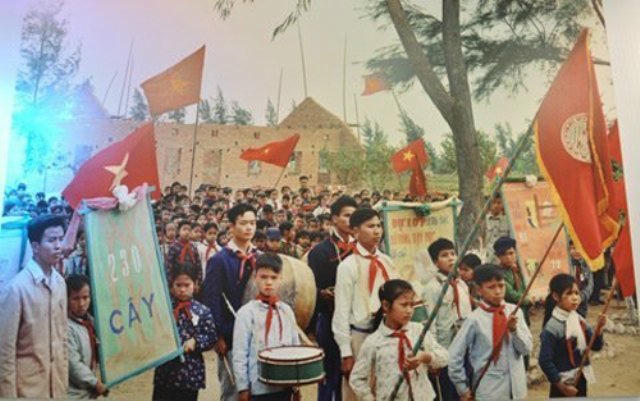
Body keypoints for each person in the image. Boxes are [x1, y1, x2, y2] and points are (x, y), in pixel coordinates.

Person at [332, 208, 398, 401]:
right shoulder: (347, 266)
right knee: (359, 391)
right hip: (360, 337)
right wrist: (346, 352)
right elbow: (341, 311)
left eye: (378, 226)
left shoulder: (387, 261)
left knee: (386, 388)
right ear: (355, 231)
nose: (376, 231)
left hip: (386, 336)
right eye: (370, 226)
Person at [0, 215, 68, 398]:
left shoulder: (60, 283)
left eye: (61, 239)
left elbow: (62, 337)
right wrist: (8, 396)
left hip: (57, 386)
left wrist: (63, 381)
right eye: (51, 240)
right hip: (28, 389)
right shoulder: (16, 289)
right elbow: (5, 352)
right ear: (35, 247)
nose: (58, 246)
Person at [349, 279, 448, 401]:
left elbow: (444, 357)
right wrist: (369, 398)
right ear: (386, 305)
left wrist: (425, 357)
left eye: (411, 305)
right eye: (404, 305)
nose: (409, 310)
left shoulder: (418, 331)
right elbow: (357, 379)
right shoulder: (374, 342)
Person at [448, 264, 532, 401]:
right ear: (479, 289)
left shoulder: (515, 312)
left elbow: (526, 349)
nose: (498, 291)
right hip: (490, 392)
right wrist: (462, 388)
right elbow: (454, 356)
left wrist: (514, 331)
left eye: (501, 285)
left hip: (517, 391)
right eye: (491, 287)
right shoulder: (474, 319)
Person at [201, 203, 259, 401]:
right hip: (230, 335)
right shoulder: (219, 260)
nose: (249, 227)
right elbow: (212, 300)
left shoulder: (259, 257)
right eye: (243, 223)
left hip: (257, 334)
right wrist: (218, 335)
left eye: (252, 223)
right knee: (233, 390)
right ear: (232, 227)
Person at [307, 195, 358, 401]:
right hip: (329, 319)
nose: (351, 220)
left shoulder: (363, 249)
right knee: (330, 375)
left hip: (358, 322)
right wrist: (323, 294)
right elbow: (312, 289)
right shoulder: (320, 252)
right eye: (347, 215)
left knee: (355, 375)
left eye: (354, 216)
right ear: (334, 218)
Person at [232, 253, 301, 401]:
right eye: (263, 277)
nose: (269, 282)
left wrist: (296, 385)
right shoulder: (246, 313)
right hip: (258, 388)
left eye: (274, 277)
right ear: (255, 277)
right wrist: (243, 387)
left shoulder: (286, 311)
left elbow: (295, 348)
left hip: (284, 385)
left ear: (281, 279)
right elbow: (240, 354)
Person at [153, 262, 216, 401]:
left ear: (195, 285)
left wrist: (196, 341)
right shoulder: (163, 309)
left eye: (187, 285)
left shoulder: (203, 311)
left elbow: (211, 337)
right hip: (165, 373)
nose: (182, 289)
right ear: (171, 286)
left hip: (190, 374)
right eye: (178, 285)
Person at [538, 274, 605, 398]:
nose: (575, 298)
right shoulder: (553, 327)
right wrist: (561, 386)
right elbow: (544, 360)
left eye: (576, 293)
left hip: (581, 378)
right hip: (562, 383)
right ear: (556, 296)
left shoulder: (580, 320)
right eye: (569, 293)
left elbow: (596, 346)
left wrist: (599, 329)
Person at [421, 238, 472, 401]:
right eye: (444, 255)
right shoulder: (432, 288)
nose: (451, 258)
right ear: (435, 262)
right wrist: (434, 355)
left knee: (466, 390)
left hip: (465, 348)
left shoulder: (462, 285)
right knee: (448, 392)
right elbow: (430, 324)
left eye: (452, 254)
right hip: (446, 350)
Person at [66, 274, 108, 399]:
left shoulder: (92, 322)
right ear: (67, 299)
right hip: (73, 393)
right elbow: (73, 364)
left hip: (88, 392)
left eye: (85, 298)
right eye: (75, 299)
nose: (81, 304)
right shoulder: (66, 328)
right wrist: (95, 383)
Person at [493, 236, 530, 325]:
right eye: (504, 254)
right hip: (509, 313)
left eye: (511, 253)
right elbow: (511, 295)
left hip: (524, 311)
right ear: (498, 256)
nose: (508, 257)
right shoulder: (498, 273)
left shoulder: (518, 268)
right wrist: (529, 300)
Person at [568, 241, 594, 318]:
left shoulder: (586, 264)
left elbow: (590, 285)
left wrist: (581, 297)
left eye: (579, 248)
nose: (576, 251)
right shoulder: (566, 264)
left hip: (581, 304)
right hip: (567, 303)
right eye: (572, 248)